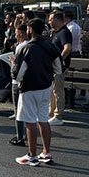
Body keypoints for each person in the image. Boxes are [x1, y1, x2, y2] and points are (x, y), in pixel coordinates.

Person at [13, 18, 61, 166]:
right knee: (43, 119)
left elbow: (18, 74)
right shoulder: (51, 46)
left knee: (30, 121)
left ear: (30, 30)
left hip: (28, 88)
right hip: (45, 87)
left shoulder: (25, 48)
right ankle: (46, 152)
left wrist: (13, 65)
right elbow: (58, 68)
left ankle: (32, 155)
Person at [47, 11, 71, 126]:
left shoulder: (64, 33)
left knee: (58, 91)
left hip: (59, 67)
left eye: (51, 19)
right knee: (52, 90)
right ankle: (51, 113)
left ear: (57, 19)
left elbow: (67, 48)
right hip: (54, 67)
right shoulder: (57, 33)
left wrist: (59, 61)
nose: (49, 21)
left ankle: (58, 115)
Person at [8, 23, 30, 146]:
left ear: (21, 33)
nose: (15, 35)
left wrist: (12, 62)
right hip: (27, 82)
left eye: (16, 32)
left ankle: (19, 136)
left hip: (17, 81)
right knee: (27, 110)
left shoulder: (21, 47)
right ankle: (27, 135)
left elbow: (17, 66)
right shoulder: (31, 45)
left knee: (18, 109)